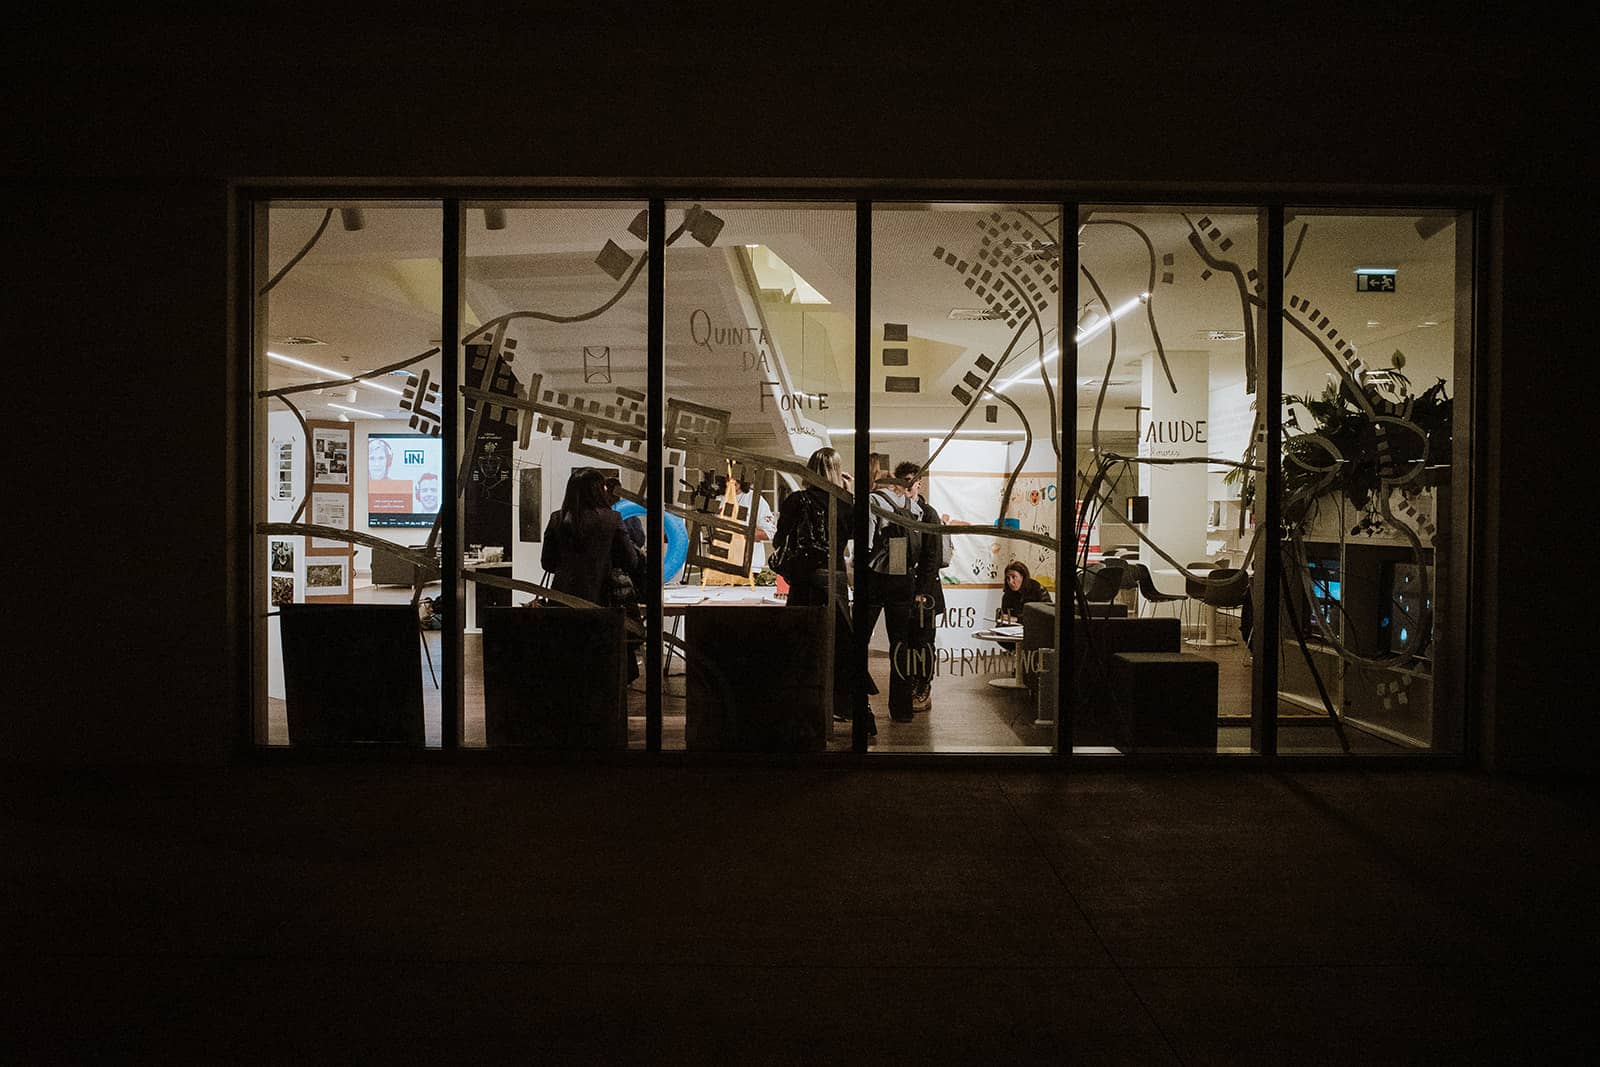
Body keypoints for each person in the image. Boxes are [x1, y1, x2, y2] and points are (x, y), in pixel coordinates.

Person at [771, 447, 877, 736]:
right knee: (842, 646)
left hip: (806, 580)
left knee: (802, 645)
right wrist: (849, 492)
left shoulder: (796, 500)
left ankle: (804, 711)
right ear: (836, 471)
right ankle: (856, 708)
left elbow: (780, 539)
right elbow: (857, 535)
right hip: (836, 579)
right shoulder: (845, 503)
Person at [542, 470, 644, 683]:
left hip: (562, 600)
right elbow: (630, 561)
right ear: (599, 490)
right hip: (602, 598)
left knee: (569, 664)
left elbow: (547, 563)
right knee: (602, 663)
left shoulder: (557, 519)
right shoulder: (612, 518)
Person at [861, 465, 925, 723]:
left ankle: (858, 703)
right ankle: (901, 709)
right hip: (904, 578)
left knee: (860, 640)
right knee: (900, 643)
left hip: (877, 577)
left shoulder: (873, 500)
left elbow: (865, 542)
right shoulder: (914, 507)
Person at [896, 461, 947, 713]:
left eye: (911, 480)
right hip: (902, 591)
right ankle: (911, 686)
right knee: (906, 641)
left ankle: (923, 688)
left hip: (924, 593)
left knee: (924, 640)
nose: (908, 485)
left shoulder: (928, 514)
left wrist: (921, 592)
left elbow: (932, 557)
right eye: (903, 480)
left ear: (919, 483)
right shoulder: (895, 512)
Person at [998, 560, 1051, 624]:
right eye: (1008, 578)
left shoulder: (1037, 589)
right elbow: (1004, 617)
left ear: (1022, 576)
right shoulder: (1008, 593)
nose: (1010, 582)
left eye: (1013, 577)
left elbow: (1047, 617)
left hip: (1035, 630)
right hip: (1012, 630)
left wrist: (1018, 619)